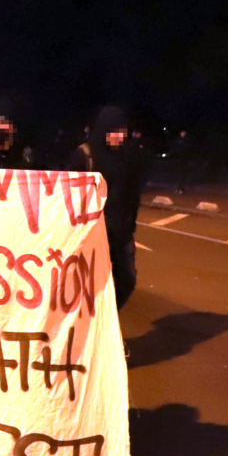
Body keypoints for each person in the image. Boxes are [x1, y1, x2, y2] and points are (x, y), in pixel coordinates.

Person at [67, 105, 146, 310]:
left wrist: (130, 227)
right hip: (90, 234)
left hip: (120, 235)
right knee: (88, 288)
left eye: (122, 131)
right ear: (103, 130)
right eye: (114, 131)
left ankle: (108, 325)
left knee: (126, 282)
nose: (119, 137)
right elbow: (67, 196)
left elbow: (132, 195)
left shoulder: (127, 158)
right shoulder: (84, 156)